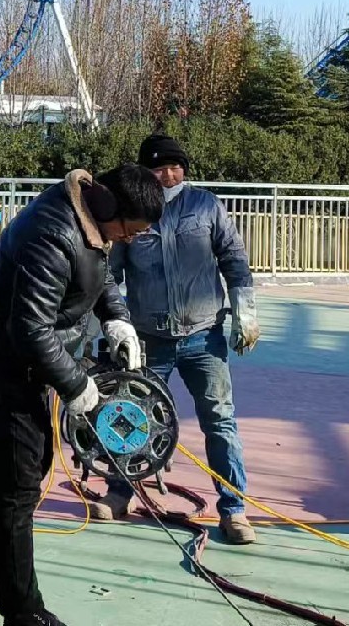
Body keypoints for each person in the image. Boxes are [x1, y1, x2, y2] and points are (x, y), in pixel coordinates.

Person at [0, 165, 162, 626]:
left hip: (26, 367)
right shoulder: (52, 235)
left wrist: (117, 318)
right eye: (130, 230)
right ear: (109, 206)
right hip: (2, 371)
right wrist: (75, 384)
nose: (128, 239)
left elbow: (99, 270)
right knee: (18, 487)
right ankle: (23, 611)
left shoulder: (91, 219)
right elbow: (30, 329)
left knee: (20, 473)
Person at [106, 132, 260, 544]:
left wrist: (244, 311)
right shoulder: (133, 213)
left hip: (202, 337)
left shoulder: (206, 206)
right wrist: (109, 322)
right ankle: (119, 493)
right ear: (145, 172)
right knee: (130, 417)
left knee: (219, 420)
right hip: (148, 339)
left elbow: (233, 257)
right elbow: (109, 273)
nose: (169, 175)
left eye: (175, 166)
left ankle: (234, 509)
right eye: (159, 168)